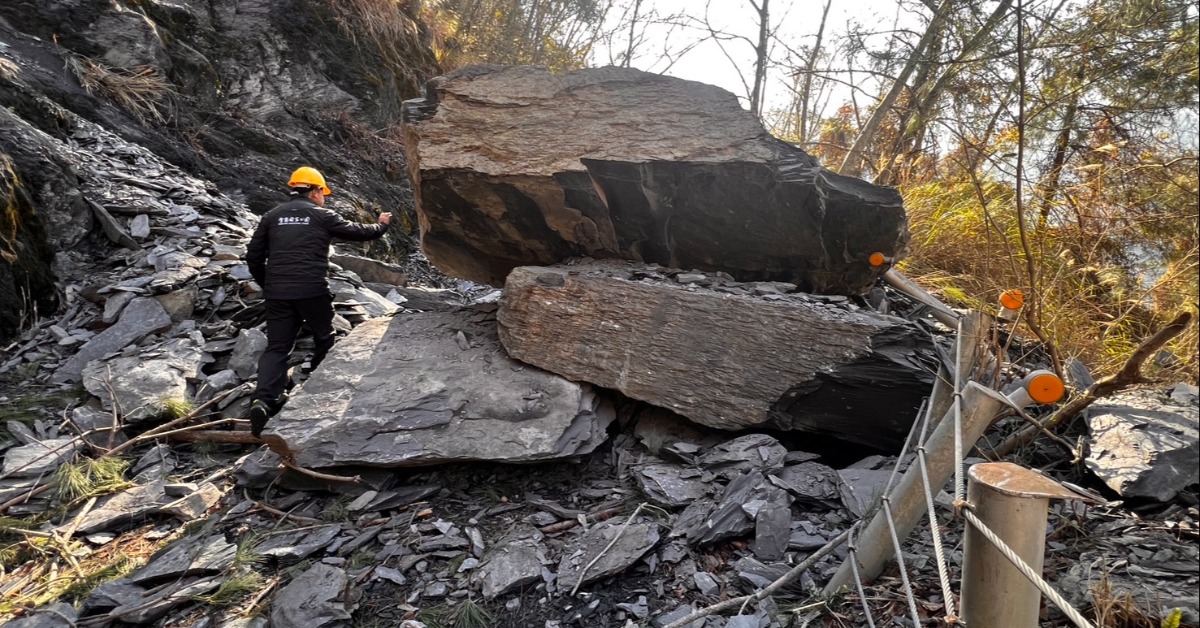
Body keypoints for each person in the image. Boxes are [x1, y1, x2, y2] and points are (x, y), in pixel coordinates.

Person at [244, 166, 392, 436]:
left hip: (278, 292)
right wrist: (381, 224)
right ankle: (318, 381)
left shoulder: (272, 216)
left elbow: (253, 256)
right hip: (313, 289)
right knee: (325, 335)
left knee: (277, 347)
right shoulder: (322, 215)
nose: (324, 197)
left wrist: (268, 284)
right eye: (323, 192)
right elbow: (360, 232)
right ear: (314, 191)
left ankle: (264, 401)